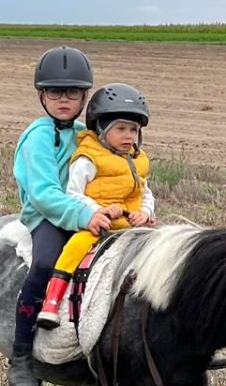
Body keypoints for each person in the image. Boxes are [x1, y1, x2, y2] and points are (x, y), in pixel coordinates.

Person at [10, 46, 118, 386]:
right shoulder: (38, 137)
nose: (64, 100)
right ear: (41, 95)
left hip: (92, 214)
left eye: (72, 92)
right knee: (44, 263)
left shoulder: (88, 135)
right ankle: (22, 355)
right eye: (55, 92)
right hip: (48, 219)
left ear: (85, 96)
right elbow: (44, 193)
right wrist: (86, 214)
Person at [37, 83, 155, 328]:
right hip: (96, 223)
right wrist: (97, 210)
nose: (129, 136)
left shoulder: (136, 160)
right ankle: (51, 301)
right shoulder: (87, 158)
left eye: (133, 130)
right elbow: (73, 192)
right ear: (102, 130)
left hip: (130, 225)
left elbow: (145, 192)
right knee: (75, 247)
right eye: (121, 129)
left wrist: (144, 213)